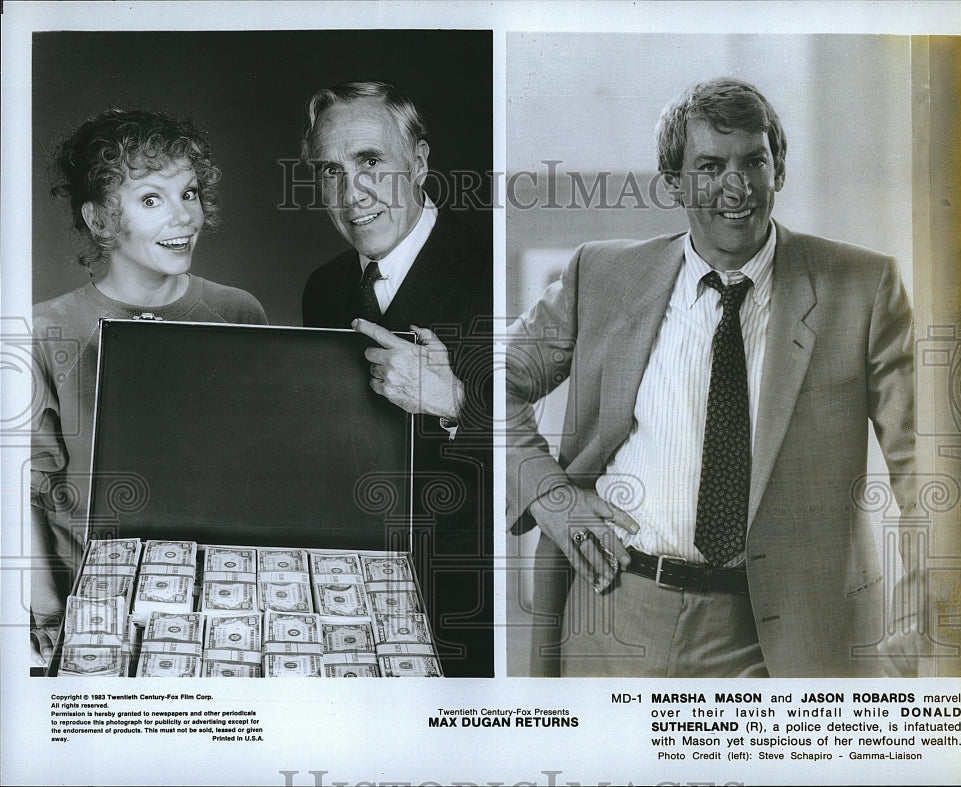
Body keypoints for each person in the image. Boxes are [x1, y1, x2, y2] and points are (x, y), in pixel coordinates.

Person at [506, 77, 924, 678]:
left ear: (778, 168)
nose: (736, 186)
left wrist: (924, 635)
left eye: (754, 160)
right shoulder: (602, 275)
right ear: (673, 181)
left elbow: (925, 466)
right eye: (710, 165)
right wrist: (550, 494)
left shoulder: (863, 286)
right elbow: (495, 381)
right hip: (612, 612)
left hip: (779, 639)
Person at [31, 109, 268, 667]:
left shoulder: (237, 311)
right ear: (99, 219)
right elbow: (24, 487)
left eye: (190, 193)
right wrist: (45, 607)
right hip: (88, 603)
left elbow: (257, 471)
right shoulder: (44, 329)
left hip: (216, 597)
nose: (184, 217)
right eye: (152, 200)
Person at [300, 81, 493, 677]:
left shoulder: (491, 261)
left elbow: (563, 454)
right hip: (349, 599)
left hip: (471, 606)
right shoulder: (325, 288)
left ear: (420, 162)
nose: (350, 192)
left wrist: (455, 402)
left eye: (370, 161)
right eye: (329, 170)